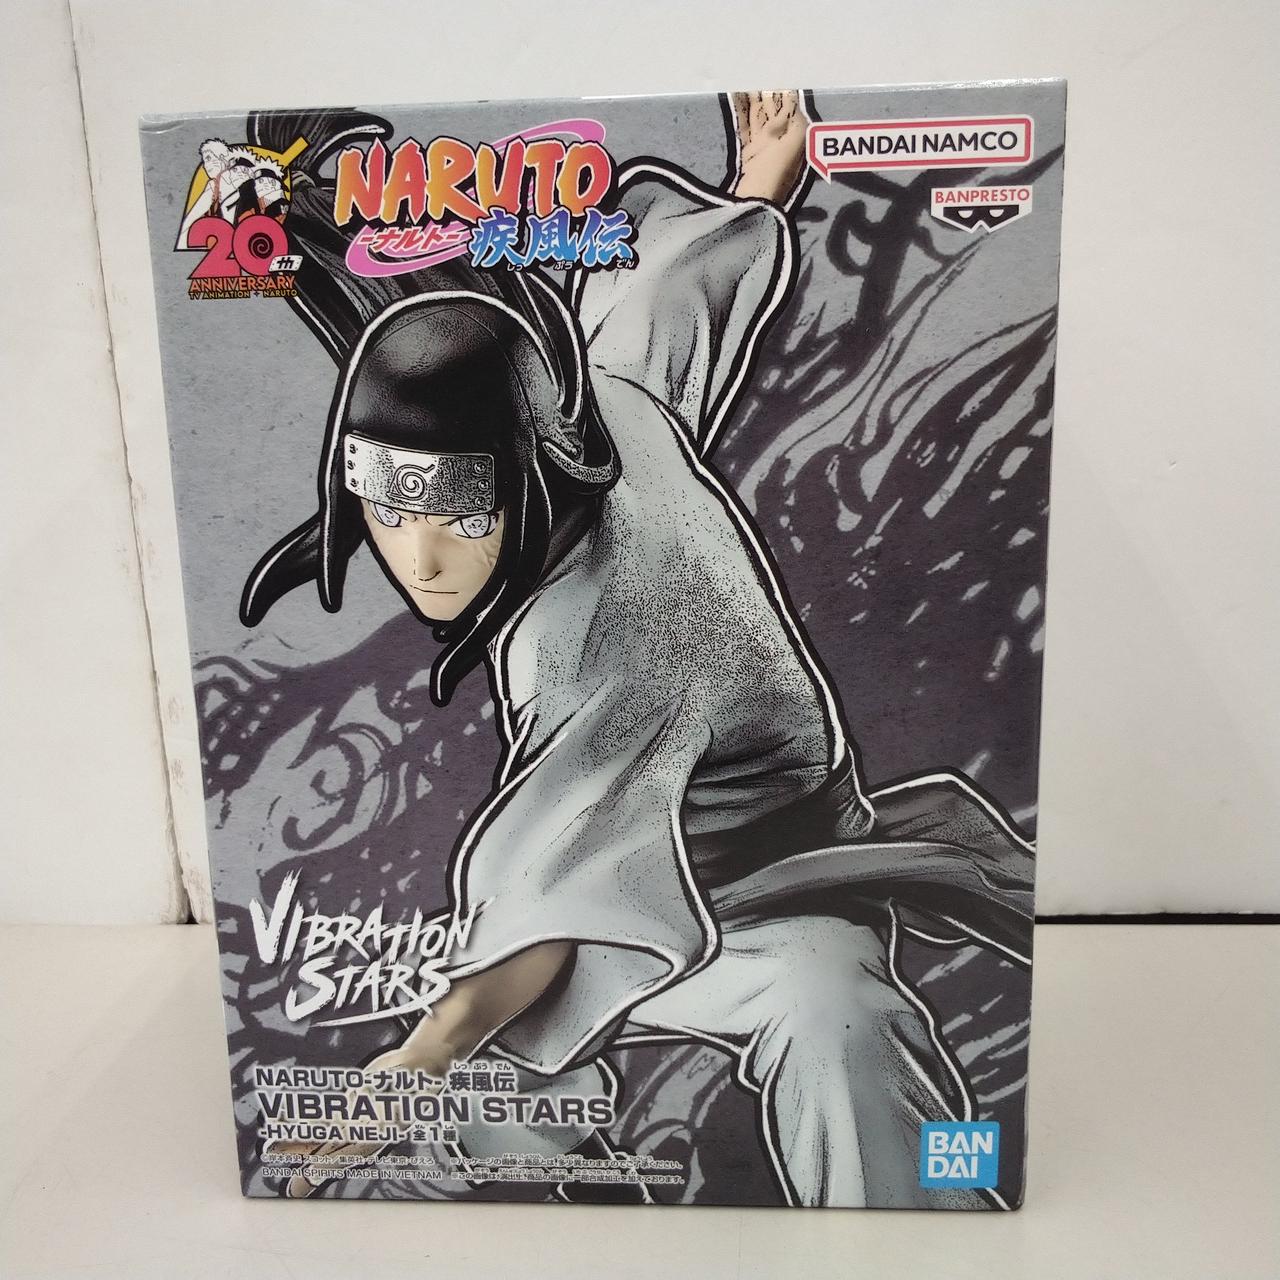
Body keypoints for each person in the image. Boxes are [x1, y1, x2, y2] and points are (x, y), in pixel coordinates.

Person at [242, 92, 1034, 1208]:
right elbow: (667, 300)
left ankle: (910, 1227)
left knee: (833, 1014)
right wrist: (760, 190)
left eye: (458, 505)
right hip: (610, 866)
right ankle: (602, 1204)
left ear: (525, 471)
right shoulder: (604, 415)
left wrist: (413, 1066)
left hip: (769, 887)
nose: (419, 553)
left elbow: (544, 918)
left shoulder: (600, 646)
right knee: (502, 1078)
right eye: (387, 502)